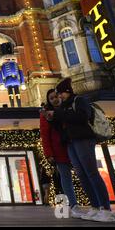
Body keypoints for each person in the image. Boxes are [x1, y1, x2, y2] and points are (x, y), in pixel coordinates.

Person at [46, 78, 115, 223]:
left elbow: (81, 116)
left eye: (60, 93)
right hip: (71, 142)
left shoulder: (79, 100)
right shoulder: (64, 107)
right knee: (82, 175)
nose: (59, 96)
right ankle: (95, 206)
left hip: (83, 139)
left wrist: (58, 114)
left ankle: (106, 209)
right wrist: (51, 118)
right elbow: (60, 128)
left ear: (67, 91)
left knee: (91, 172)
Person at [40, 89, 82, 217]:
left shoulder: (68, 108)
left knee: (83, 174)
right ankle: (74, 205)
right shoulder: (46, 114)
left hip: (73, 145)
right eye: (51, 98)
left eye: (56, 97)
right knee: (66, 177)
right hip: (59, 150)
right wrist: (49, 153)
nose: (54, 100)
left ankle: (95, 204)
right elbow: (45, 135)